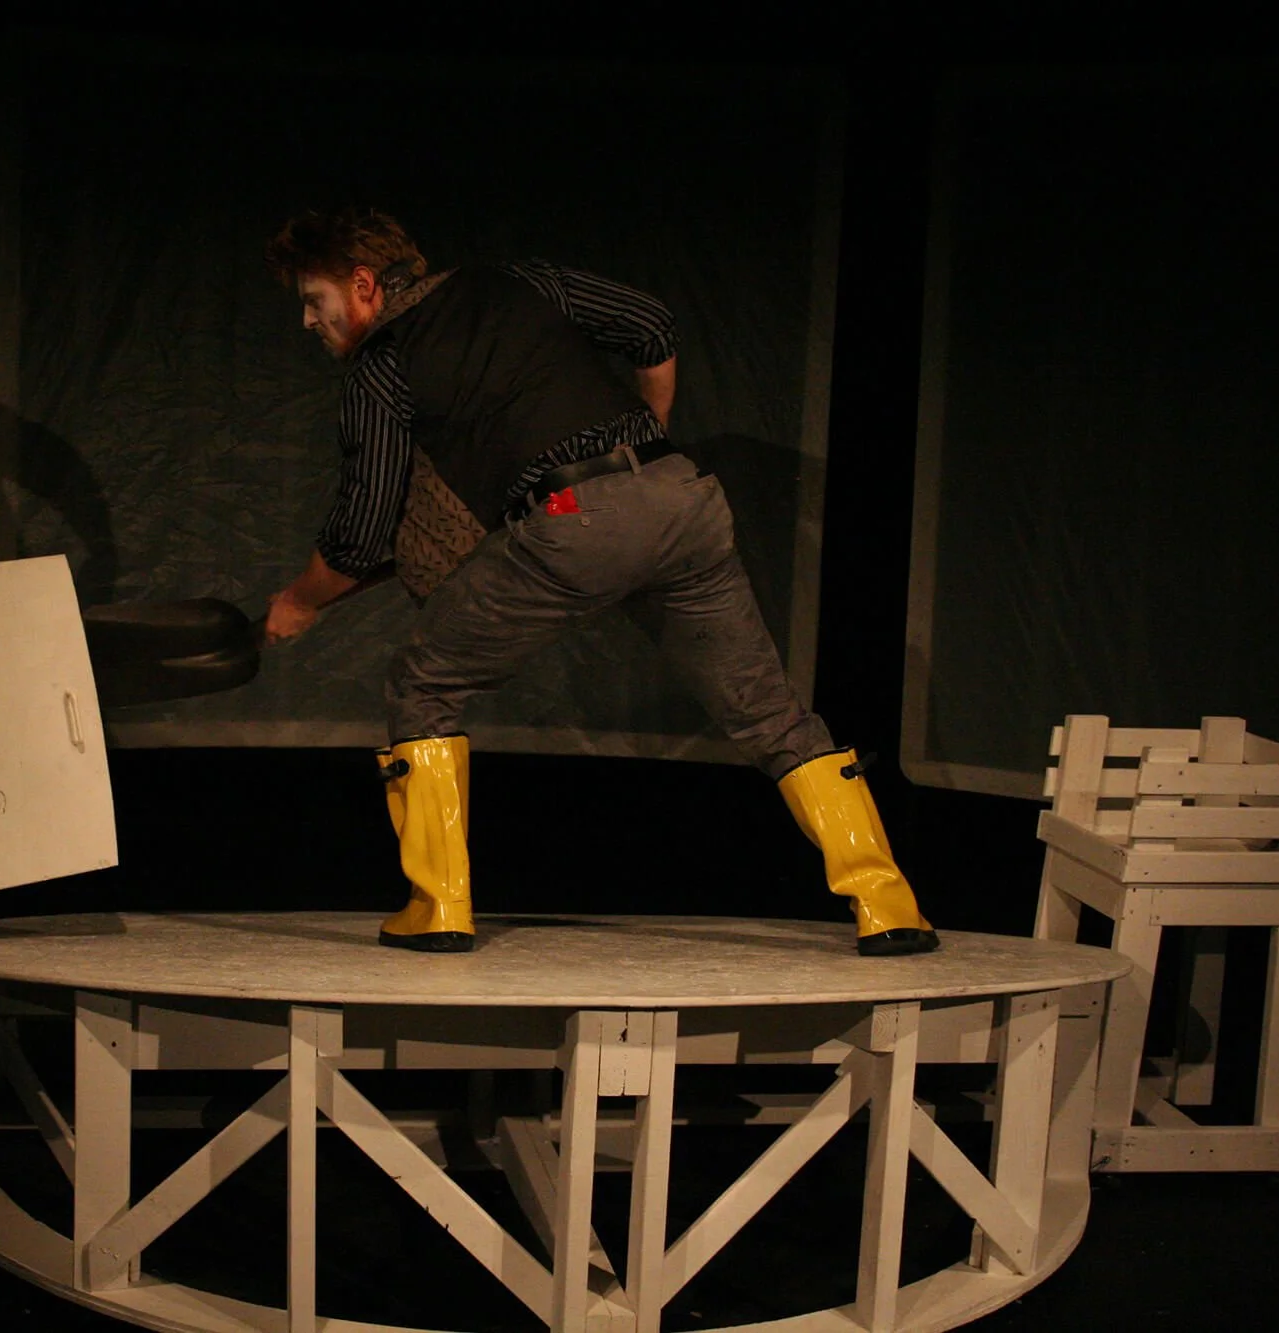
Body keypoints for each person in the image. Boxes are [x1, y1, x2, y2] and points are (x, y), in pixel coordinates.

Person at [262, 208, 936, 957]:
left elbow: (359, 533)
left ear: (362, 286)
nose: (307, 321)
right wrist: (644, 439)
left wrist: (298, 601)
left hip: (572, 522)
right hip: (683, 499)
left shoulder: (382, 366)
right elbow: (650, 325)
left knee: (422, 682)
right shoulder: (519, 281)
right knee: (768, 714)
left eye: (313, 301)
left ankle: (438, 905)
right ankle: (889, 903)